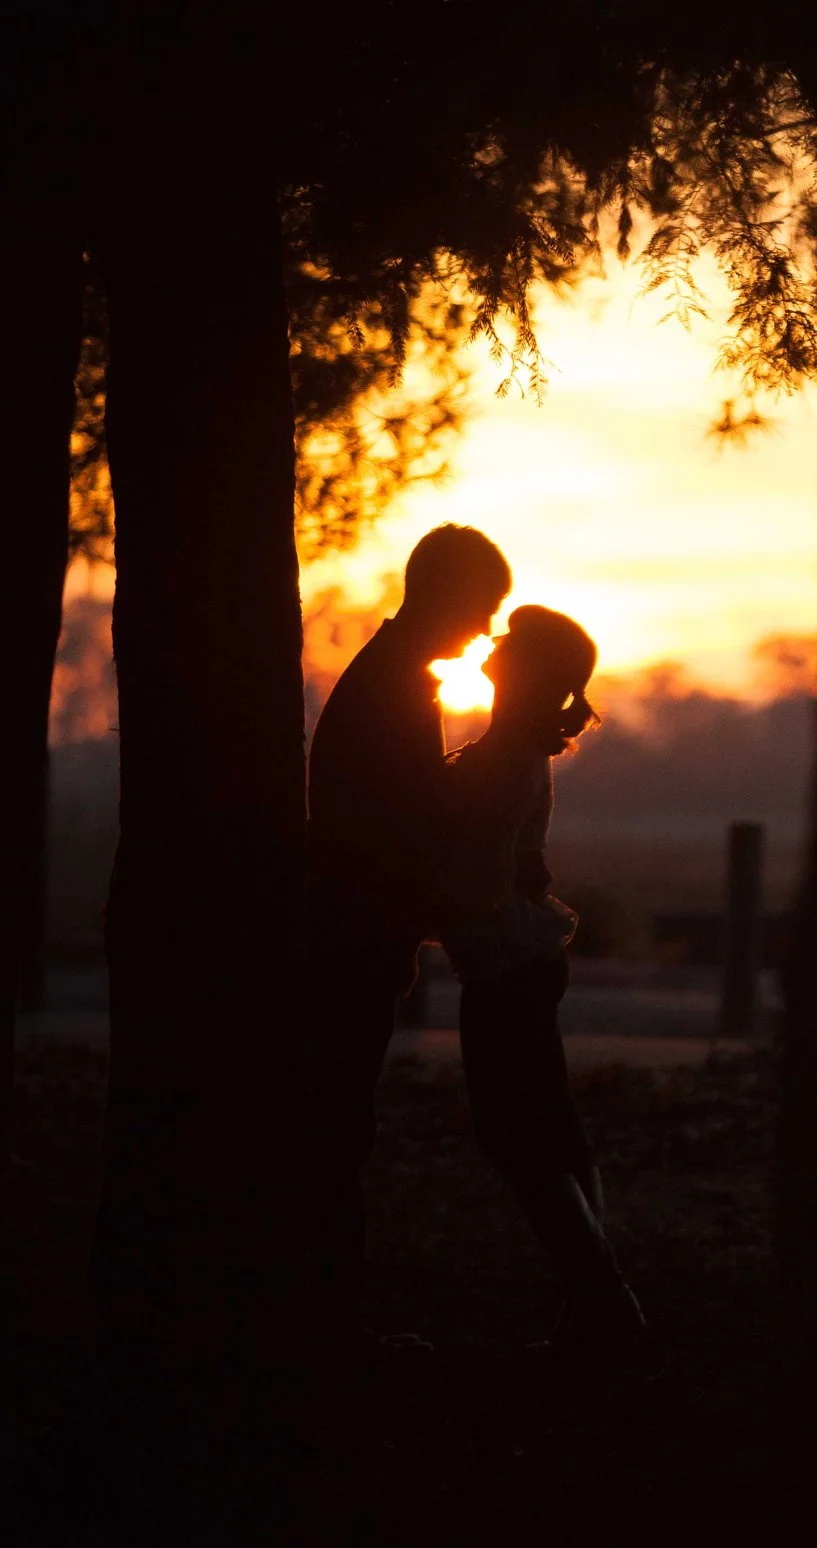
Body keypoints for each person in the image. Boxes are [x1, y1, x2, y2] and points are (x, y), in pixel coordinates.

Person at [300, 524, 510, 1363]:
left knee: (337, 1123)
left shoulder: (390, 684)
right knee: (337, 1128)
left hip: (356, 935)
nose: (487, 628)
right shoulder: (394, 695)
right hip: (354, 940)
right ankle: (329, 1327)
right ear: (448, 595)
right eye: (484, 607)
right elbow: (408, 828)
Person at [438, 606, 647, 1353]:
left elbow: (478, 883)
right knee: (549, 1130)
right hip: (521, 961)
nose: (491, 645)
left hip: (505, 966)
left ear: (523, 669)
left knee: (516, 1135)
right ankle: (599, 1295)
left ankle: (603, 1296)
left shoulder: (503, 763)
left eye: (509, 642)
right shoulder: (512, 753)